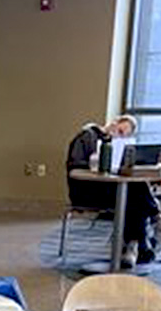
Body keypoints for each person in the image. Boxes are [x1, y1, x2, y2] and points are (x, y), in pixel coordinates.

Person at [66, 114, 159, 266]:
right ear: (114, 122)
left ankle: (135, 245)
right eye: (121, 131)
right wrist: (94, 162)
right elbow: (75, 169)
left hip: (109, 189)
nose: (119, 136)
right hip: (86, 190)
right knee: (135, 193)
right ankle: (145, 232)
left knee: (133, 191)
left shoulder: (113, 145)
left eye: (124, 136)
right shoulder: (87, 136)